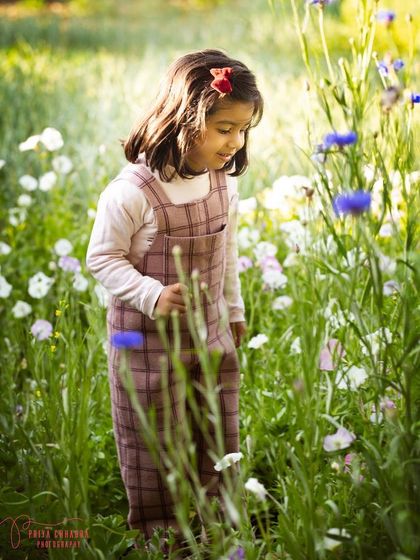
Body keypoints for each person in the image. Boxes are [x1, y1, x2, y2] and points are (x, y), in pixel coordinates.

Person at [86, 48, 263, 550]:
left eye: (244, 129)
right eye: (224, 128)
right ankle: (163, 537)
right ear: (185, 119)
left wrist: (234, 311)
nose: (236, 142)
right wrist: (150, 293)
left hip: (208, 336)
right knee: (154, 442)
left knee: (216, 431)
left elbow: (225, 251)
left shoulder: (219, 181)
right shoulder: (133, 193)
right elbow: (102, 259)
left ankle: (218, 524)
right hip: (146, 344)